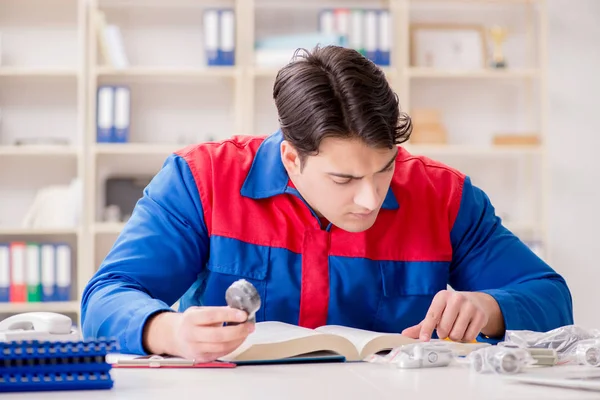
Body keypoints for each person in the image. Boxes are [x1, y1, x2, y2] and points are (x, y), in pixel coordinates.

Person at [81, 45, 573, 362]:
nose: (369, 198)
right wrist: (167, 332)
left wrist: (489, 309)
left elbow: (551, 296)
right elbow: (105, 296)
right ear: (291, 158)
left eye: (384, 171)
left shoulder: (445, 196)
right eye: (344, 177)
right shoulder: (200, 180)